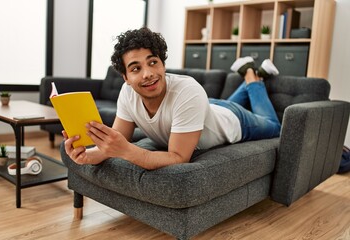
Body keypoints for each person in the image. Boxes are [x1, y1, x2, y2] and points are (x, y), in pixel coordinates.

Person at [63, 27, 281, 170]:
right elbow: (117, 140)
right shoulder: (127, 93)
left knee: (274, 126)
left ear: (163, 63)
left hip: (234, 120)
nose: (147, 73)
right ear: (126, 78)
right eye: (136, 68)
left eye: (152, 62)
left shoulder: (188, 91)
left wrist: (127, 151)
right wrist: (88, 155)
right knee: (214, 106)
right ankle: (252, 77)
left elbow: (178, 157)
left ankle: (252, 76)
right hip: (204, 110)